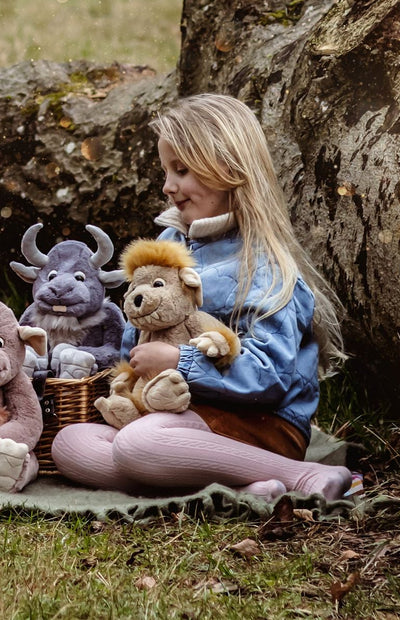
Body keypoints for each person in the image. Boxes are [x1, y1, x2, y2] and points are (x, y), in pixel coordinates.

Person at [52, 95, 357, 500]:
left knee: (137, 446)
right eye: (166, 171)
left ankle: (304, 475)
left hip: (259, 422)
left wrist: (180, 361)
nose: (168, 186)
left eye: (182, 170)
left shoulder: (265, 268)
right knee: (70, 444)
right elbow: (141, 331)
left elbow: (269, 377)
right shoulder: (169, 245)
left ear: (229, 170)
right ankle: (246, 485)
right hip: (175, 413)